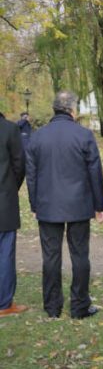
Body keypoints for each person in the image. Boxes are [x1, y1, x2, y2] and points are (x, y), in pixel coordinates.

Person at [26, 91, 103, 319]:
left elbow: (31, 175)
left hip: (48, 205)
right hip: (79, 204)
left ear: (54, 109)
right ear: (73, 110)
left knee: (50, 256)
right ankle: (80, 305)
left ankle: (52, 307)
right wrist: (99, 205)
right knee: (80, 254)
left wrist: (34, 205)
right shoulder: (83, 135)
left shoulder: (37, 136)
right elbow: (94, 172)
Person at [0, 112, 27, 317]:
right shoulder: (10, 129)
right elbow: (19, 164)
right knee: (5, 252)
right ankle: (4, 303)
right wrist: (11, 187)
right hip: (4, 200)